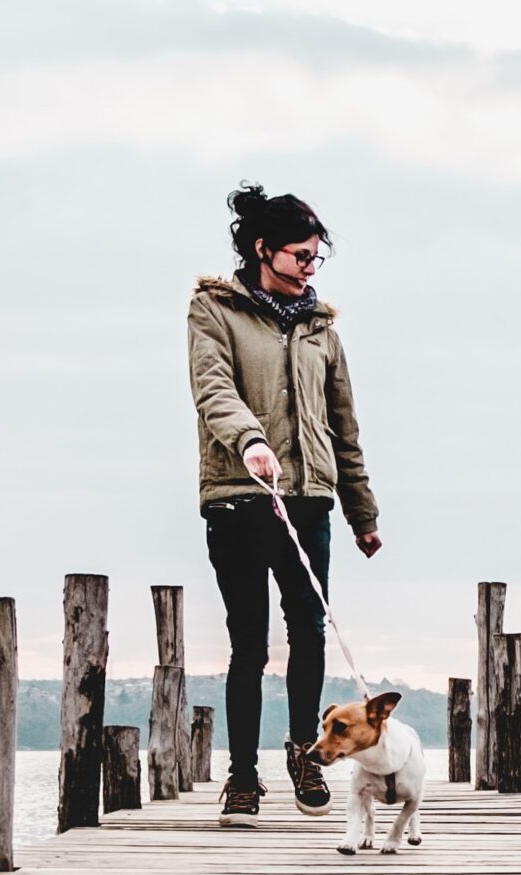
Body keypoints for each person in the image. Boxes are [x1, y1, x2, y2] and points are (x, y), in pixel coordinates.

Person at [186, 183, 382, 825]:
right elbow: (212, 388)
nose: (309, 266)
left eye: (316, 257)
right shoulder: (214, 310)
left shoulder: (323, 326)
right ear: (263, 249)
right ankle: (242, 777)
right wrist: (250, 442)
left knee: (309, 629)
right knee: (248, 642)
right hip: (240, 498)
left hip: (309, 500)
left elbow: (343, 423)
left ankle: (305, 755)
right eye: (300, 255)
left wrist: (362, 512)